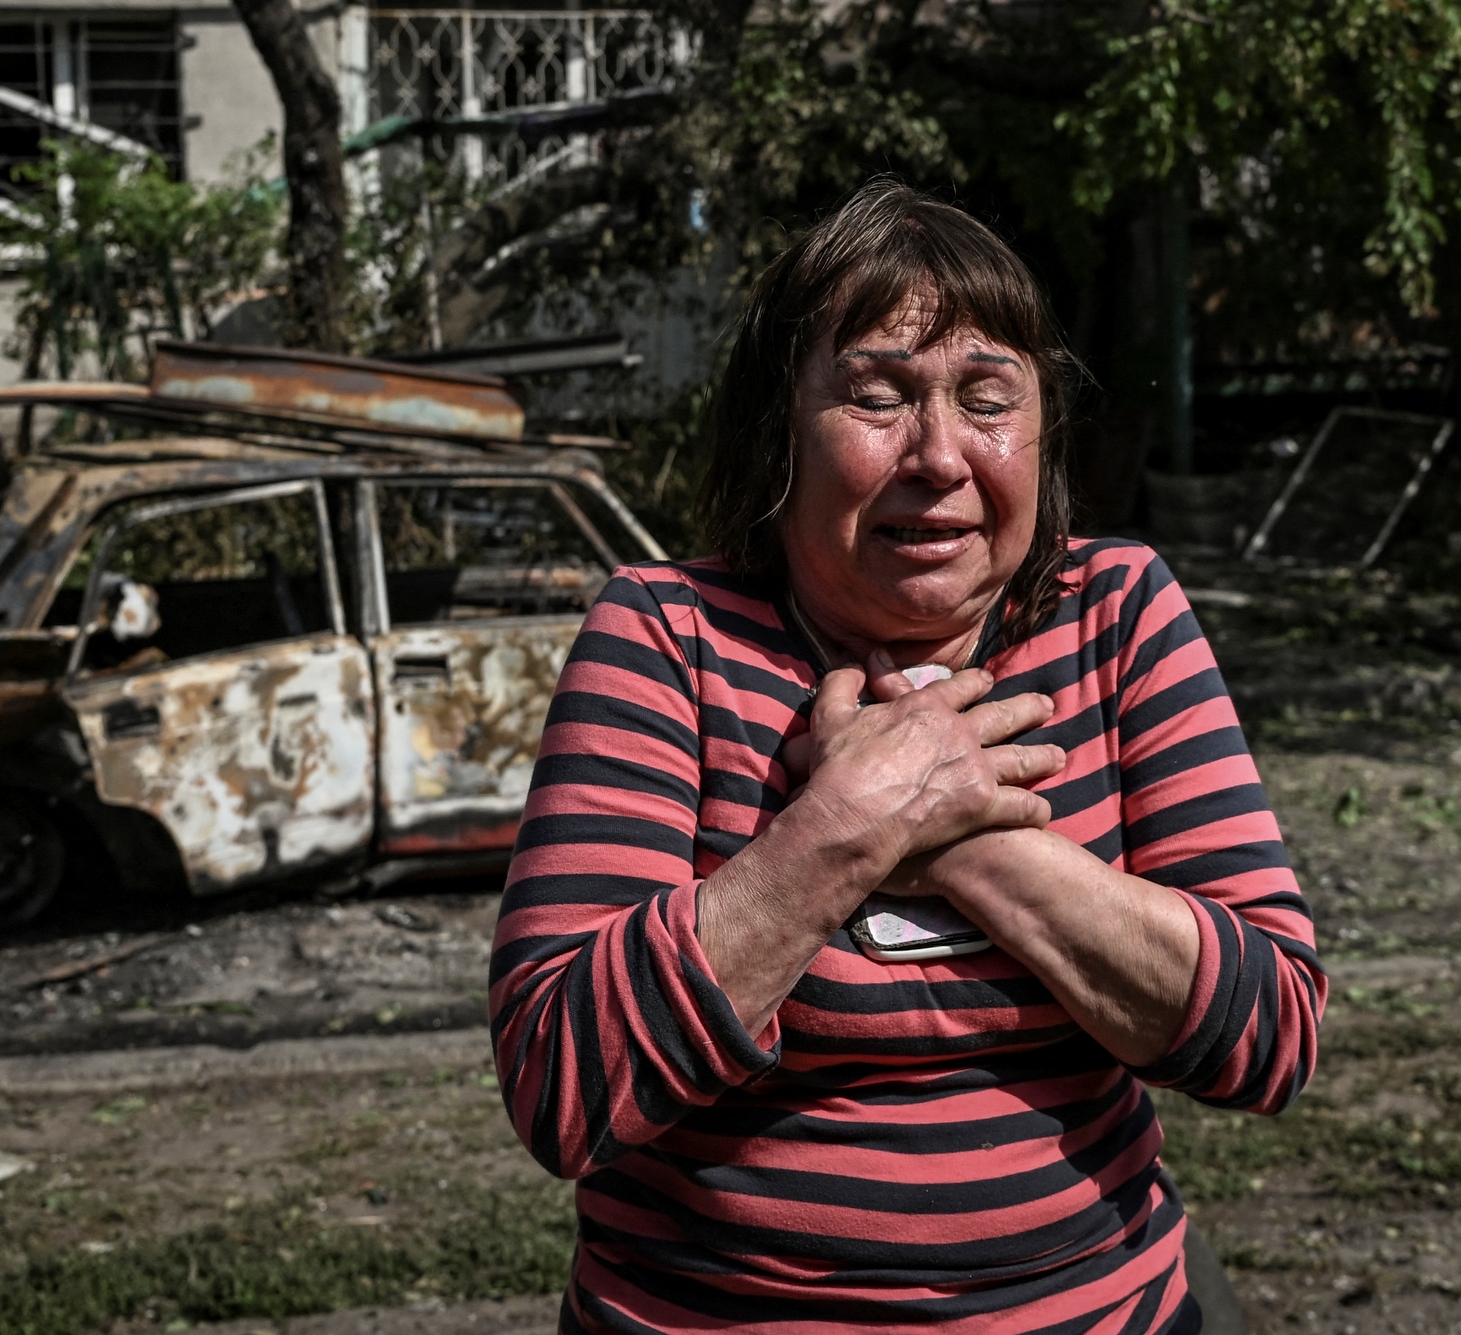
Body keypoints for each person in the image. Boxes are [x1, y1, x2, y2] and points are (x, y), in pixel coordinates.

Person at [490, 179, 1324, 1334]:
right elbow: (559, 1084)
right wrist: (842, 826)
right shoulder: (667, 636)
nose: (939, 455)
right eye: (877, 397)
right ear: (777, 425)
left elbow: (1272, 1033)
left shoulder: (1117, 610)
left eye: (989, 399)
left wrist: (963, 833)